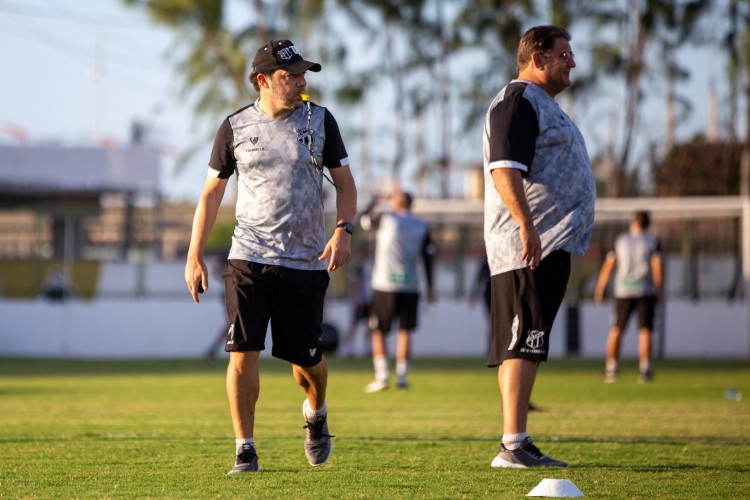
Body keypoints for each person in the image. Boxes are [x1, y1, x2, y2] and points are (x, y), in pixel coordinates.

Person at [184, 39, 357, 475]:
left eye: (303, 74)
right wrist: (194, 255)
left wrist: (343, 230)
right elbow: (211, 194)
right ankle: (245, 448)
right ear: (263, 80)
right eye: (291, 75)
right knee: (242, 352)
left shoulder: (320, 120)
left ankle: (315, 414)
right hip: (248, 257)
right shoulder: (234, 126)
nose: (301, 82)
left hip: (306, 260)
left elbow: (347, 185)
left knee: (307, 363)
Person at [483, 25, 595, 468]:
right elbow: (504, 170)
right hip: (526, 245)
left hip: (546, 244)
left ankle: (516, 440)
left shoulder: (540, 104)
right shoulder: (518, 101)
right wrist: (527, 227)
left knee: (528, 341)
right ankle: (513, 444)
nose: (572, 63)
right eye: (564, 55)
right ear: (538, 58)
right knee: (521, 342)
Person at [364, 191, 436, 392]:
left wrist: (375, 200)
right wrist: (430, 288)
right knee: (404, 331)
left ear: (395, 202)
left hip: (384, 284)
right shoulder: (421, 226)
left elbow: (363, 221)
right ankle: (402, 377)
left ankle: (382, 376)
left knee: (378, 330)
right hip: (410, 285)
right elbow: (429, 259)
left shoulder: (386, 218)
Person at [594, 211, 663, 383]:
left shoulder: (621, 240)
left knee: (617, 329)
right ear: (647, 224)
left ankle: (611, 368)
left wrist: (600, 288)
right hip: (645, 291)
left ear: (634, 222)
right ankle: (645, 369)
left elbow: (609, 265)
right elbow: (657, 266)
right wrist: (660, 291)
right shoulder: (652, 241)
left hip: (623, 291)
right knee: (645, 330)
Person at [338, 243, 373, 358]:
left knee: (370, 325)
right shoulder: (357, 268)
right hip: (360, 301)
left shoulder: (368, 267)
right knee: (354, 325)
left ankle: (368, 348)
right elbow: (354, 284)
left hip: (368, 301)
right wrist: (357, 299)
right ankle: (347, 348)